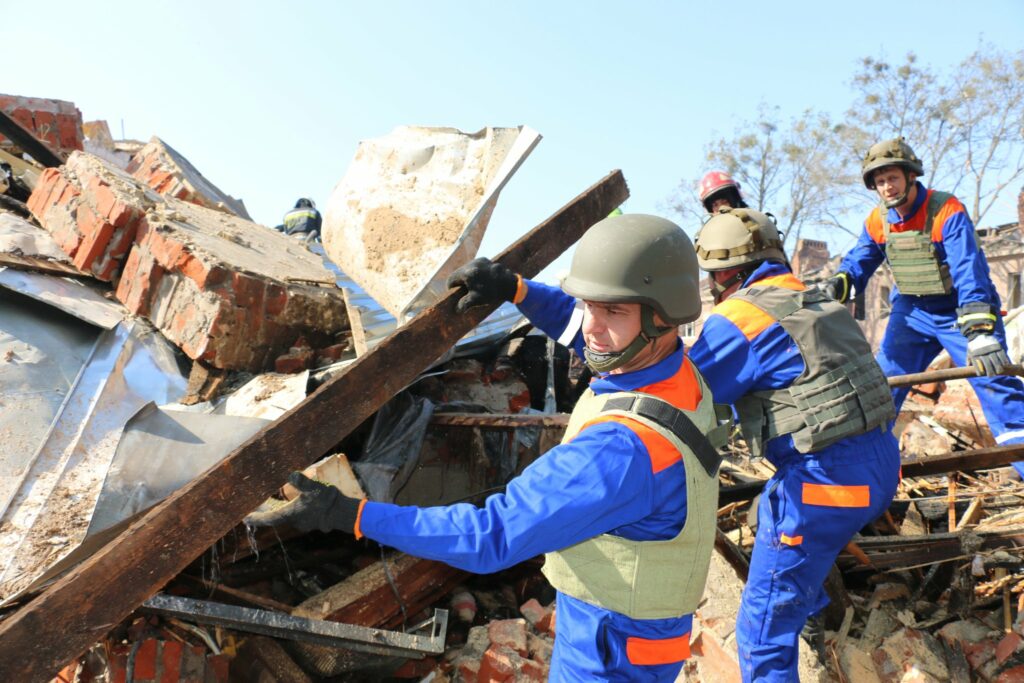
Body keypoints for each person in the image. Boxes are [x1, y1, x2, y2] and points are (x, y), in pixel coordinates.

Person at [247, 213, 727, 681]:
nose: (592, 327)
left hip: (610, 652)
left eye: (613, 311)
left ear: (662, 318)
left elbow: (490, 536)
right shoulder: (675, 374)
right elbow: (586, 332)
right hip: (640, 630)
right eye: (590, 306)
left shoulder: (620, 450)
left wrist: (349, 514)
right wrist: (517, 290)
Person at [689, 207, 901, 682]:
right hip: (882, 468)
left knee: (760, 630)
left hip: (825, 488)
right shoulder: (814, 297)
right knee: (770, 514)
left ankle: (788, 625)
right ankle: (806, 614)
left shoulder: (739, 318)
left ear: (729, 272)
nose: (712, 285)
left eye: (714, 274)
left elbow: (688, 394)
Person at [825, 137, 1024, 474]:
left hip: (960, 311)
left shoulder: (946, 210)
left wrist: (979, 332)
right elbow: (859, 261)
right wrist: (838, 285)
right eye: (880, 181)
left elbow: (968, 271)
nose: (887, 187)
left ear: (910, 176)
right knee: (882, 389)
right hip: (911, 314)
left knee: (994, 385)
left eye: (893, 178)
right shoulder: (878, 221)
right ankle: (862, 473)